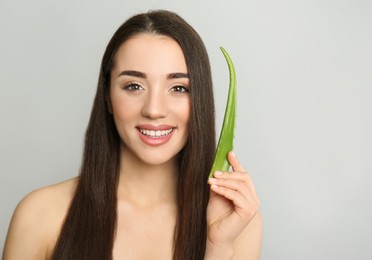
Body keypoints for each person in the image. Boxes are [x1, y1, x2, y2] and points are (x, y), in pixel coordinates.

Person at [3, 10, 262, 260]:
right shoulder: (40, 215)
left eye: (179, 88)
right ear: (107, 97)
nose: (154, 110)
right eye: (134, 86)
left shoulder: (237, 223)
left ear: (200, 100)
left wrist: (218, 248)